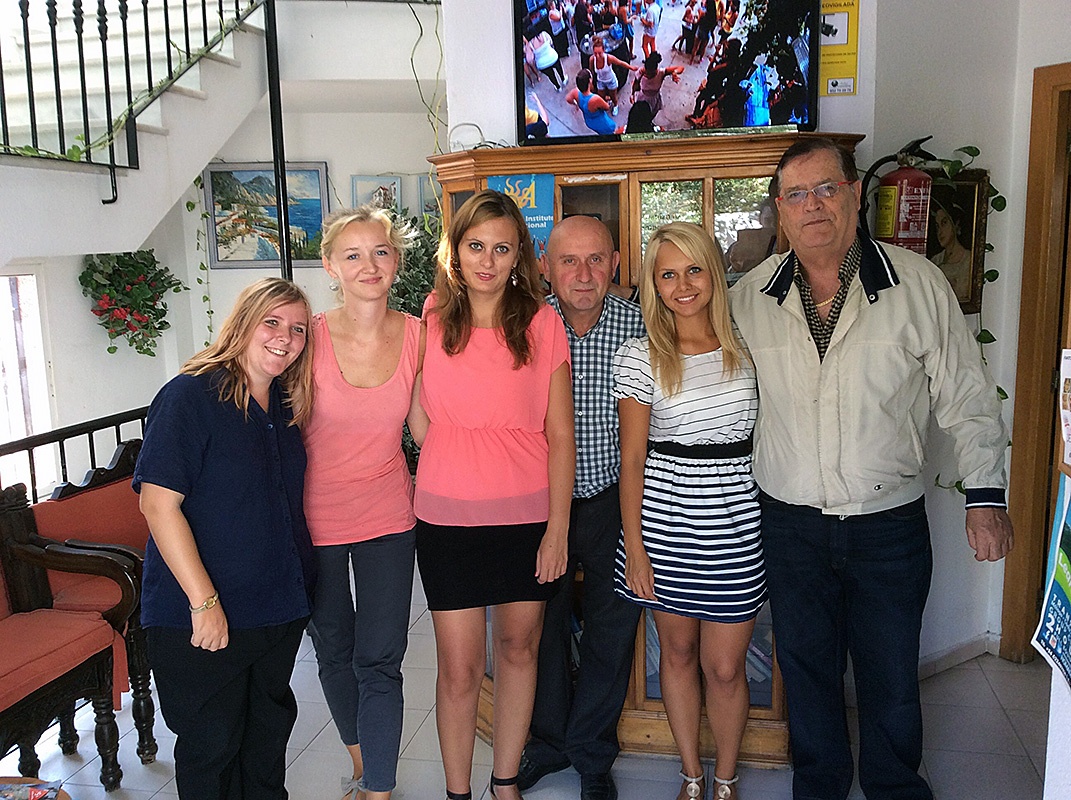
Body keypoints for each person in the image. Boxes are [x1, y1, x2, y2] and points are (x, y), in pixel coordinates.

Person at [730, 138, 1014, 799]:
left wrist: (984, 497)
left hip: (887, 526)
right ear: (780, 210)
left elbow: (967, 397)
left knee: (890, 676)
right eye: (796, 195)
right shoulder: (749, 298)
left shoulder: (916, 285)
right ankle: (820, 788)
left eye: (826, 188)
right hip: (790, 524)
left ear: (855, 195)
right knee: (806, 673)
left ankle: (894, 788)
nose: (812, 205)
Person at [409, 189, 576, 800]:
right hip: (446, 519)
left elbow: (561, 434)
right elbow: (418, 416)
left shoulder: (543, 322)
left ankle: (505, 782)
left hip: (525, 518)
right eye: (475, 246)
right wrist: (450, 449)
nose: (487, 260)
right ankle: (458, 793)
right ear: (455, 250)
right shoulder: (431, 316)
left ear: (519, 255)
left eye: (502, 249)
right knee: (458, 669)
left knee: (518, 651)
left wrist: (557, 531)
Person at [134, 277, 316, 800]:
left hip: (276, 609)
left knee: (265, 745)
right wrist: (204, 601)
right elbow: (158, 504)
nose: (285, 338)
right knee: (211, 749)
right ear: (242, 324)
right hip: (203, 617)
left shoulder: (285, 403)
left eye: (298, 329)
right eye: (272, 322)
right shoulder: (190, 396)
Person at [615, 222, 764, 800]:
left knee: (725, 668)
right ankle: (692, 776)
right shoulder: (641, 356)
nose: (683, 285)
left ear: (714, 273)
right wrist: (636, 550)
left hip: (736, 528)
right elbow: (632, 461)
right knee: (676, 656)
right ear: (654, 285)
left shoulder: (748, 345)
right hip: (665, 529)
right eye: (668, 274)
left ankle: (726, 779)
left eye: (694, 269)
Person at [518, 216, 646, 800]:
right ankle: (546, 744)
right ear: (546, 266)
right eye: (569, 261)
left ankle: (593, 754)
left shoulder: (642, 327)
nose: (584, 274)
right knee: (538, 628)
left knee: (610, 630)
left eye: (596, 259)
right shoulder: (526, 326)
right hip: (540, 504)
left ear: (615, 263)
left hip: (616, 501)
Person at [303, 207, 423, 800]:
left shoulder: (419, 335)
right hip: (314, 520)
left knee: (380, 659)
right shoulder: (307, 337)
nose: (368, 265)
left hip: (389, 515)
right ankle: (362, 761)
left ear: (395, 259)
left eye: (379, 251)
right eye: (352, 255)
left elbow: (426, 428)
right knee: (334, 651)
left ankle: (378, 788)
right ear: (331, 266)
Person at [929, 203, 972, 300]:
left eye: (944, 223)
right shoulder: (935, 261)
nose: (940, 232)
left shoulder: (968, 260)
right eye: (937, 226)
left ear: (956, 224)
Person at [630, 51, 684, 123]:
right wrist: (632, 94)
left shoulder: (661, 73)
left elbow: (681, 67)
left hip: (654, 99)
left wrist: (675, 72)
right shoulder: (640, 73)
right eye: (647, 73)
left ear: (656, 70)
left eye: (652, 73)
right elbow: (635, 85)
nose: (649, 75)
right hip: (643, 98)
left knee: (651, 115)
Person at [591, 36, 637, 114]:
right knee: (601, 96)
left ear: (604, 50)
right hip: (600, 81)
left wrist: (631, 68)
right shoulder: (592, 59)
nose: (597, 56)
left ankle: (615, 105)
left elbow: (621, 63)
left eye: (599, 53)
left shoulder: (609, 58)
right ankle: (606, 103)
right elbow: (592, 71)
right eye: (595, 53)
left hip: (611, 81)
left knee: (613, 97)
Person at [567, 69, 619, 136]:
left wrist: (576, 104)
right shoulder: (595, 99)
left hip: (589, 121)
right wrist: (607, 99)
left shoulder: (575, 92)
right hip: (602, 123)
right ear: (590, 81)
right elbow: (607, 107)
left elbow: (568, 98)